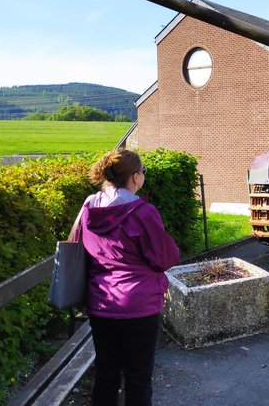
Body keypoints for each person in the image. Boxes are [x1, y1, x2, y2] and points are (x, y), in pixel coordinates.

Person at [80, 149, 180, 406]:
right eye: (143, 171)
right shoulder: (143, 212)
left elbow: (83, 249)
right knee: (138, 377)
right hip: (139, 306)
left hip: (101, 302)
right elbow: (165, 258)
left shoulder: (89, 206)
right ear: (135, 177)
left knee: (106, 374)